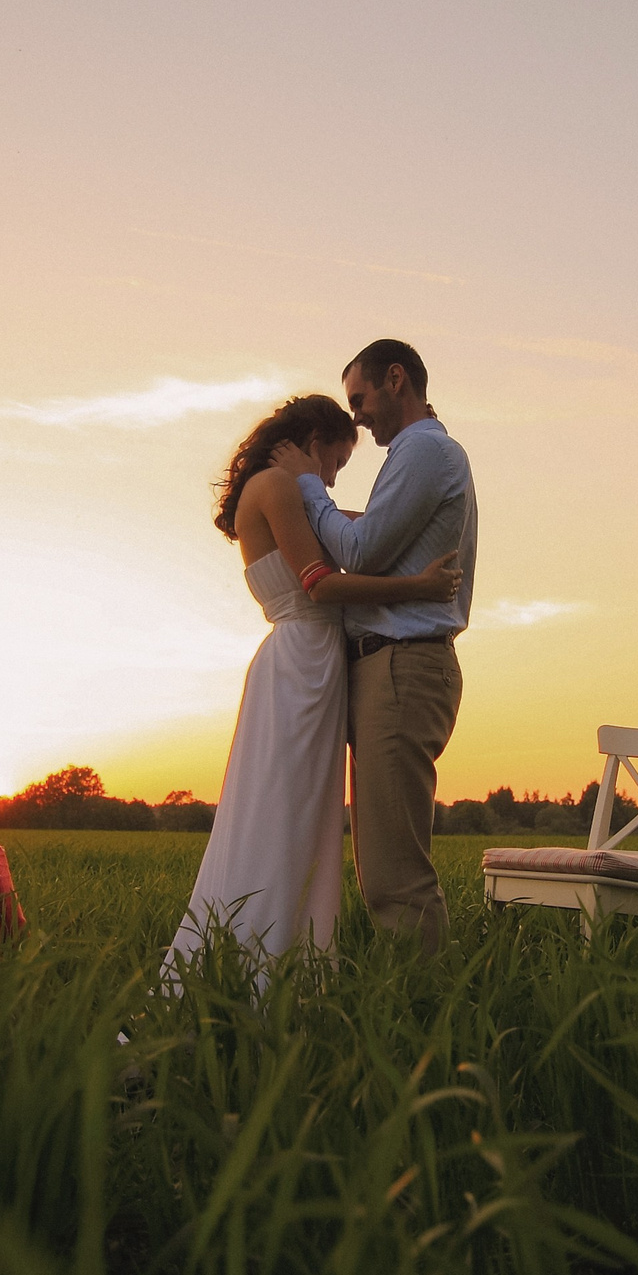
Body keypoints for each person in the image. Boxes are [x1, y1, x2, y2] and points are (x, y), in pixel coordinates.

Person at [161, 394, 462, 986]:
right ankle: (260, 971)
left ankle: (279, 966)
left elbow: (359, 527)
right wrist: (417, 588)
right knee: (284, 815)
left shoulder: (287, 489)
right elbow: (320, 586)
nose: (327, 479)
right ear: (309, 443)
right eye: (330, 464)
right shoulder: (276, 487)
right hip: (302, 664)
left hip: (310, 665)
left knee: (300, 816)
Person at [267, 338, 477, 956]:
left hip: (402, 667)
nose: (354, 413)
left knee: (395, 876)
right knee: (381, 865)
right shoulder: (418, 455)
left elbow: (359, 553)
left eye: (359, 399)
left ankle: (426, 1022)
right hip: (389, 668)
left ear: (395, 379)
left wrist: (308, 487)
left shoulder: (424, 451)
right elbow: (374, 533)